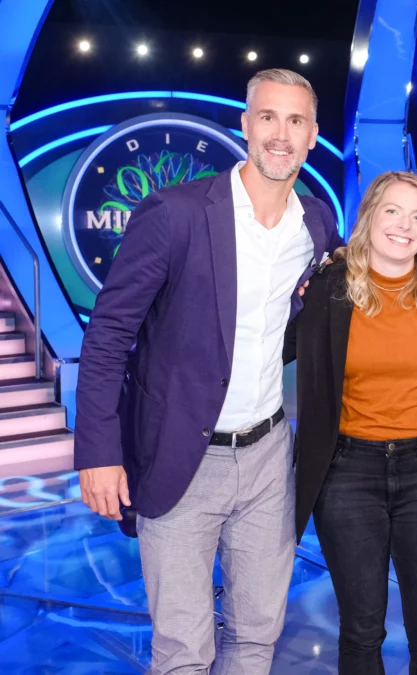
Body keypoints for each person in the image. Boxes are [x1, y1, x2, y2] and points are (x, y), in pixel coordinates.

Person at [73, 69, 344, 675]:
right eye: (268, 118)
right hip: (178, 457)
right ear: (246, 126)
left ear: (313, 134)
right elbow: (109, 334)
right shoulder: (175, 213)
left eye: (295, 120)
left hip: (270, 457)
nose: (281, 134)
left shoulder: (317, 225)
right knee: (182, 650)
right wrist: (98, 449)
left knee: (256, 636)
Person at [286, 171, 417, 674]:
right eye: (393, 211)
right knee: (361, 631)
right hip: (349, 473)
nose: (406, 225)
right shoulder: (329, 286)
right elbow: (272, 344)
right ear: (370, 215)